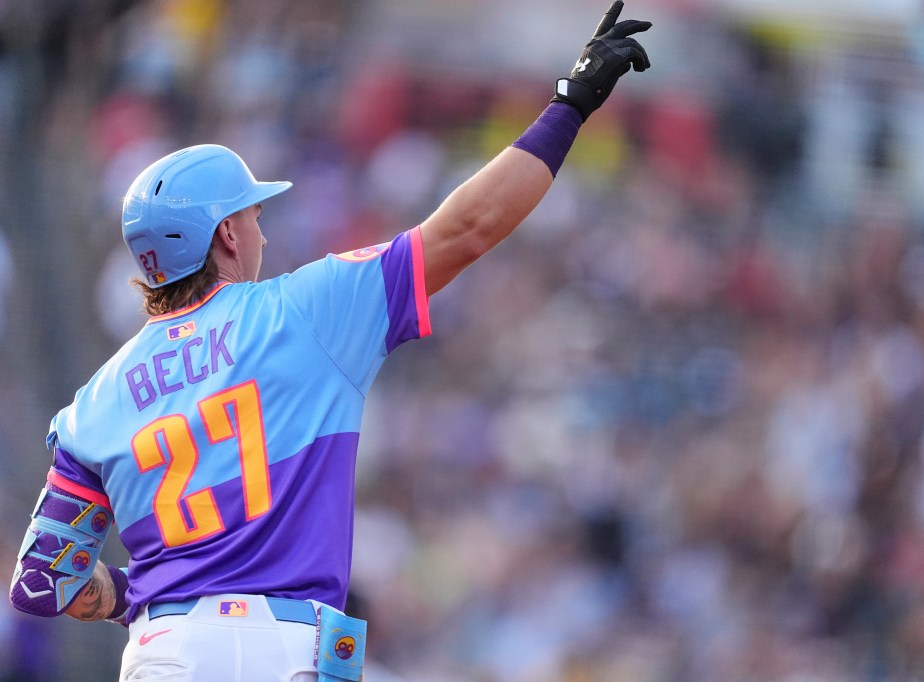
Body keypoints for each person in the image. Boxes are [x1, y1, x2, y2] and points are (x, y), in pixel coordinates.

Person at [8, 2, 651, 680]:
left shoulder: (94, 402)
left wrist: (145, 592)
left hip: (160, 654)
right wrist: (571, 105)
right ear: (225, 234)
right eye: (253, 215)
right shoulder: (304, 309)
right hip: (282, 648)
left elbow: (44, 584)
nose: (262, 230)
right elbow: (468, 229)